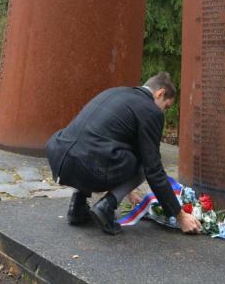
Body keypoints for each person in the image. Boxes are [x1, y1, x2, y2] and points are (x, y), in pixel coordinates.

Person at [45, 72, 202, 236]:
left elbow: (101, 139)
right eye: (166, 106)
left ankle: (77, 205)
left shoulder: (115, 92)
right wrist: (181, 216)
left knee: (90, 146)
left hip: (60, 160)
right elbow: (153, 169)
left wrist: (129, 190)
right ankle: (107, 206)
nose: (164, 112)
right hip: (91, 167)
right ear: (160, 93)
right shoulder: (151, 110)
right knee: (144, 163)